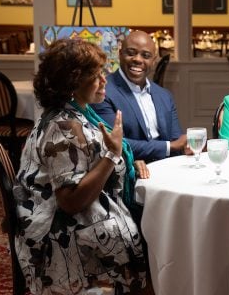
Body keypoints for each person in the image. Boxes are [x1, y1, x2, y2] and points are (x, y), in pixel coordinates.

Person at [15, 38, 148, 294]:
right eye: (96, 74)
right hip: (61, 238)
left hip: (76, 222)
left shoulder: (78, 114)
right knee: (157, 234)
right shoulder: (63, 127)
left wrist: (123, 157)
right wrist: (112, 155)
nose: (104, 79)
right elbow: (71, 201)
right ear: (72, 82)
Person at [92, 30, 187, 163]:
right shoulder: (102, 93)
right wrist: (168, 147)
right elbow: (115, 143)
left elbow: (178, 142)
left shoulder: (164, 96)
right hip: (129, 171)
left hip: (166, 168)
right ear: (120, 54)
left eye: (146, 55)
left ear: (153, 61)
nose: (137, 59)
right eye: (131, 53)